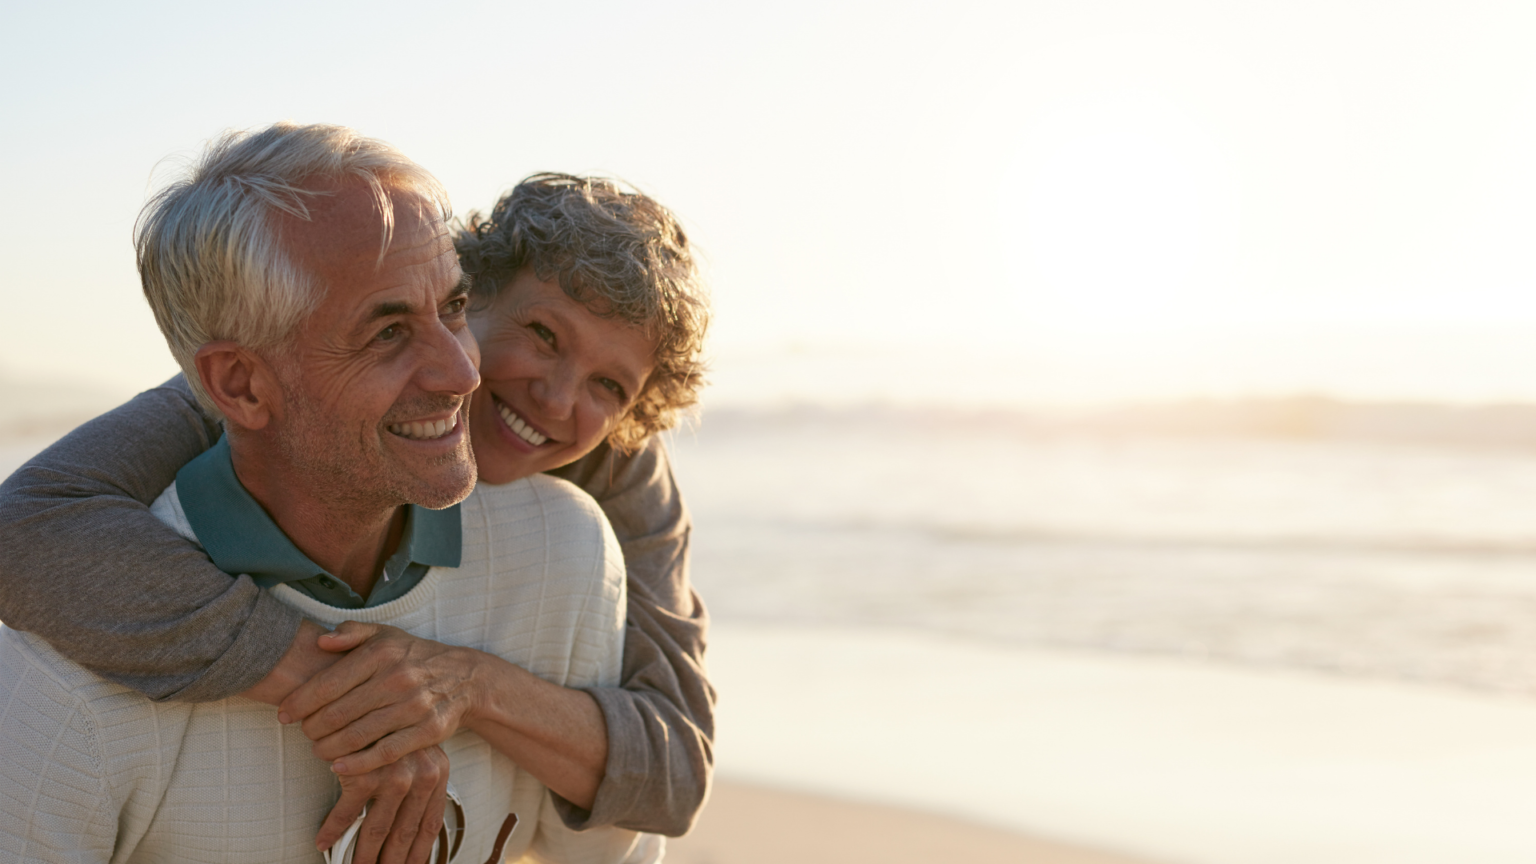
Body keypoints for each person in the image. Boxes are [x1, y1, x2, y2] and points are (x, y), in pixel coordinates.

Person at [0, 123, 703, 864]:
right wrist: (350, 692)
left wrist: (461, 685)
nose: (559, 400)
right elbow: (24, 528)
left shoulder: (590, 516)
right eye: (541, 334)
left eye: (608, 386)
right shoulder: (214, 404)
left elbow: (673, 774)